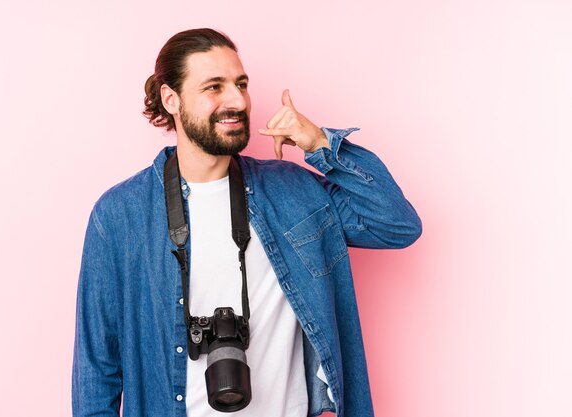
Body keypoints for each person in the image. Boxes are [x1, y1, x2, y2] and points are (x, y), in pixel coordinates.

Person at [72, 28, 422, 417]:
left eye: (241, 84)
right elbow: (97, 369)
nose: (237, 100)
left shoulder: (292, 192)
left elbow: (396, 225)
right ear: (171, 99)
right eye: (214, 87)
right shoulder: (121, 216)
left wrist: (320, 143)